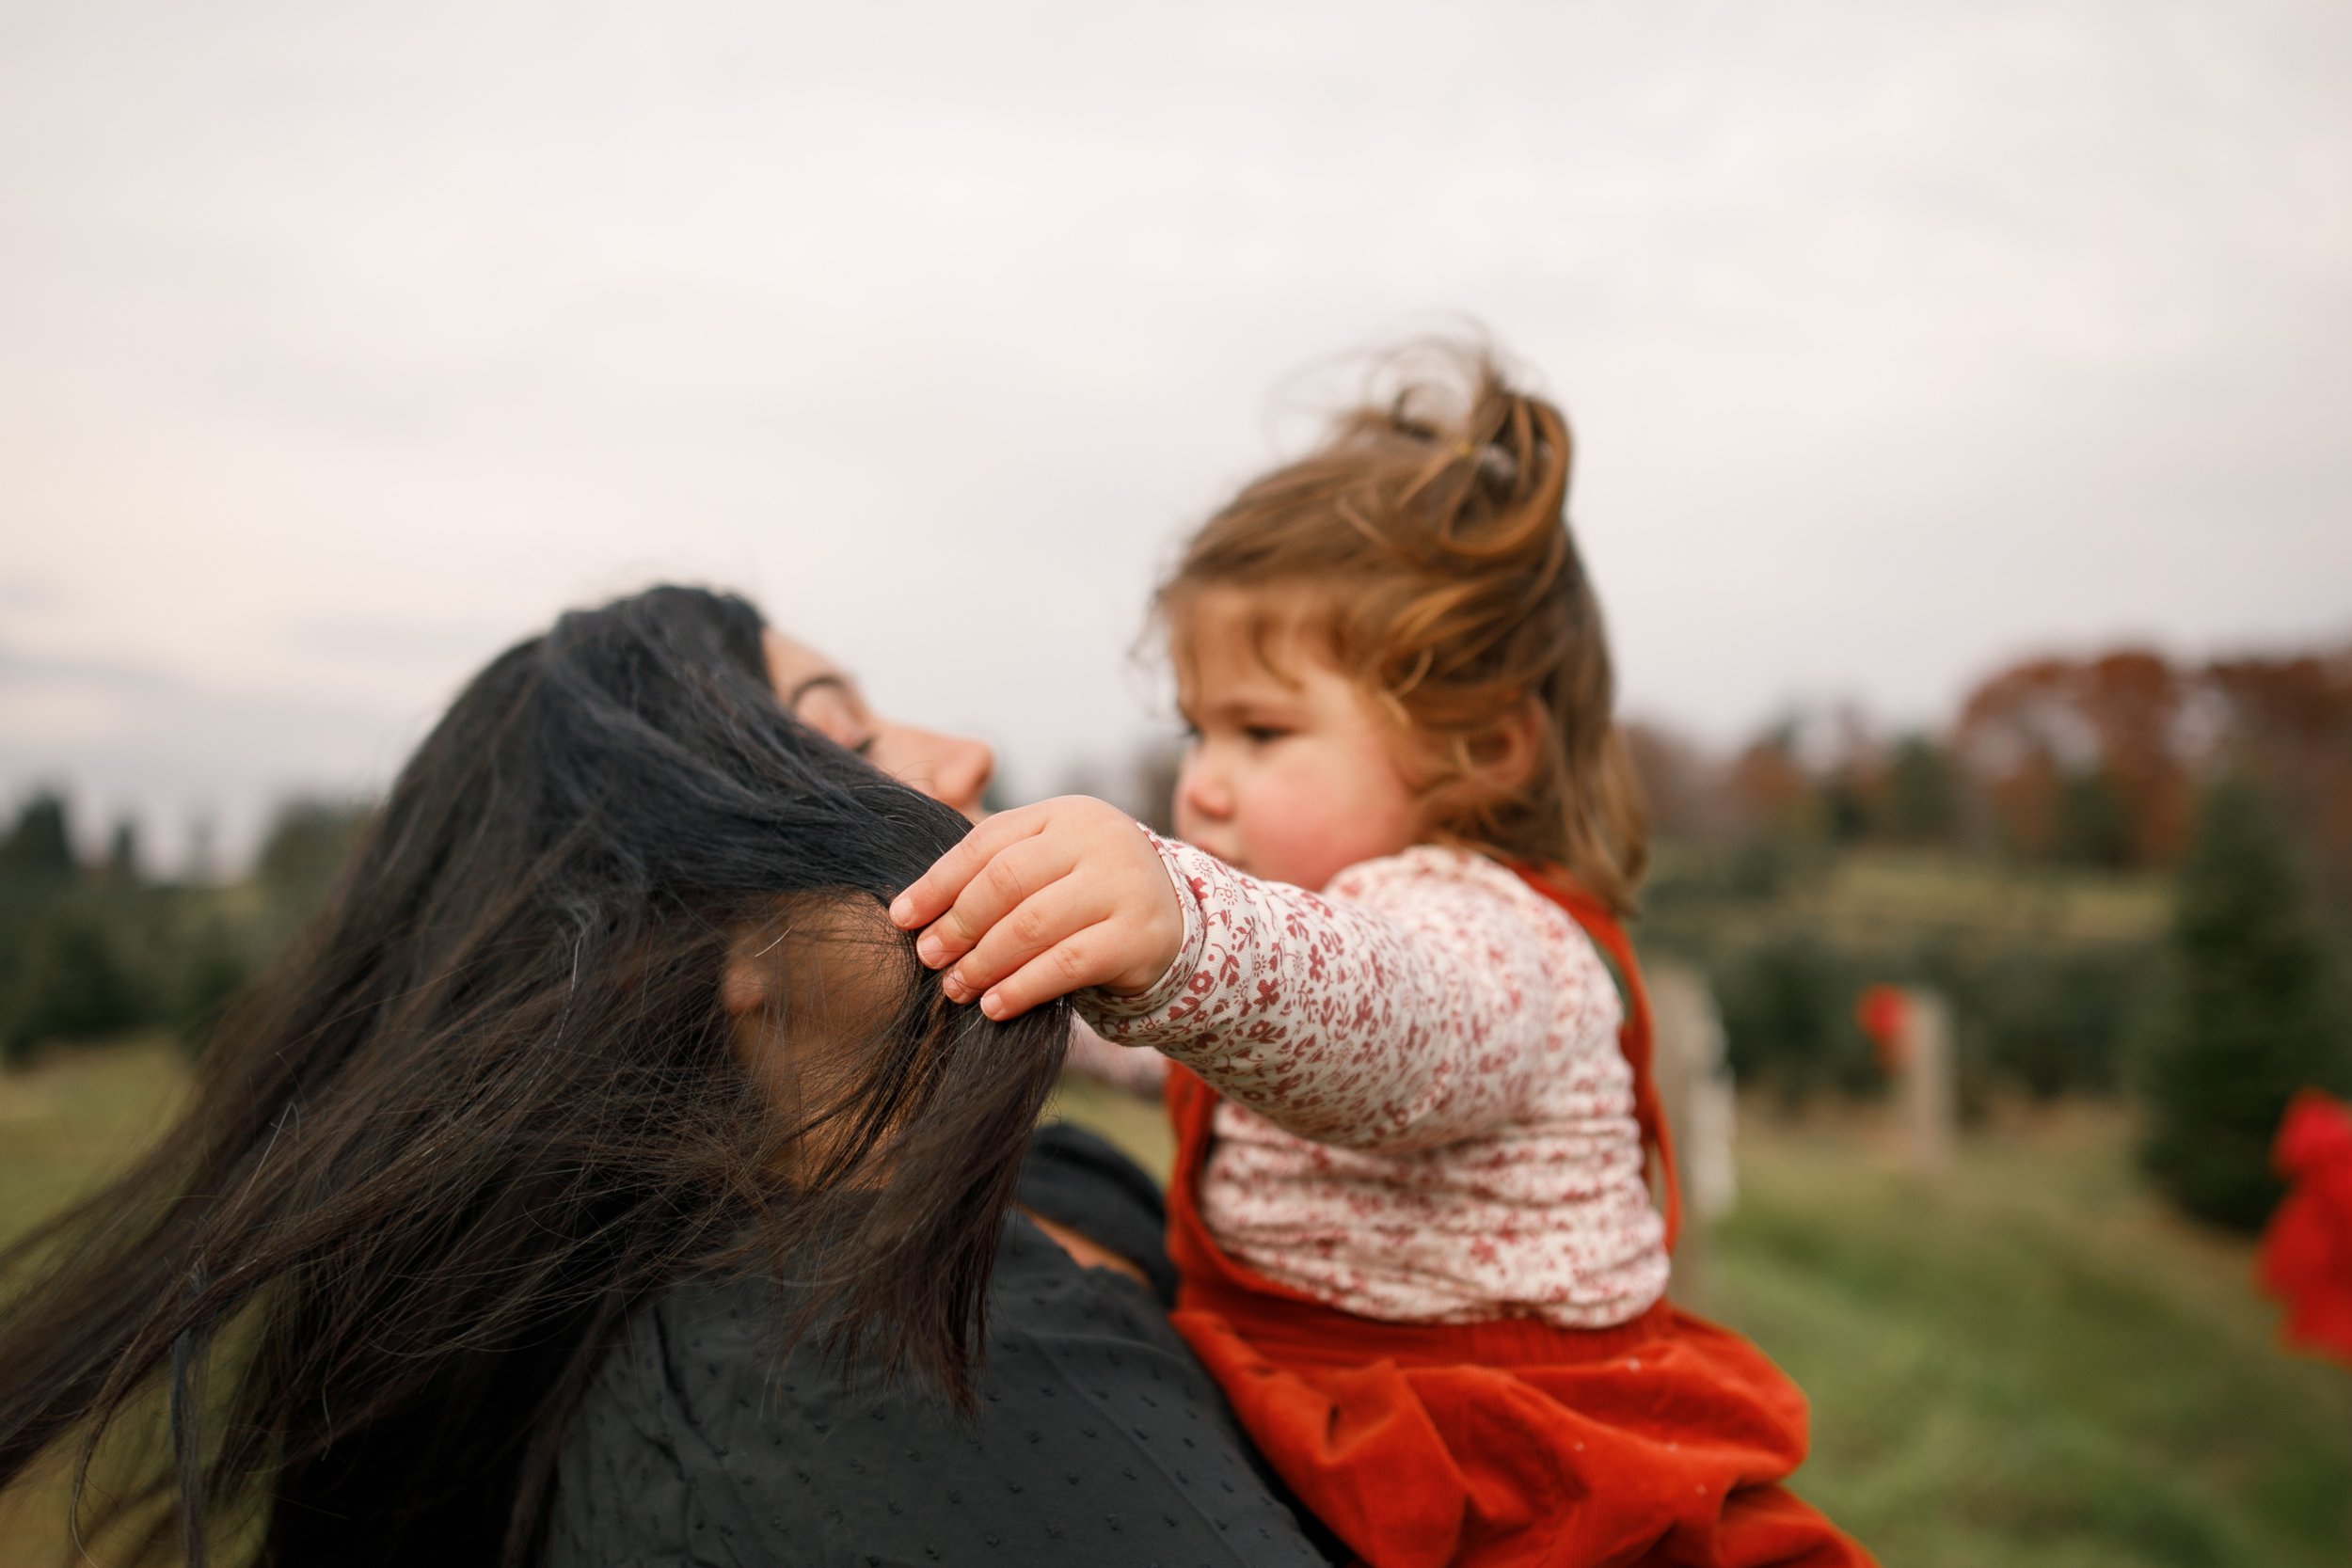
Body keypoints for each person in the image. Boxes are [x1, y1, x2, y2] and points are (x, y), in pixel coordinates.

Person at [0, 586, 1337, 1568]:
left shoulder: (1036, 1186)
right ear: (710, 943)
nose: (964, 759)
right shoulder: (847, 1397)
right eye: (847, 738)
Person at [893, 346, 1875, 1567]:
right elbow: (1190, 1058)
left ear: (1486, 748)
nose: (1204, 779)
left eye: (1263, 730)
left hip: (1522, 1483)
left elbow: (1386, 1027)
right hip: (1335, 1426)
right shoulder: (1266, 970)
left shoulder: (1497, 943)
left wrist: (1179, 924)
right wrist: (1017, 949)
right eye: (1198, 728)